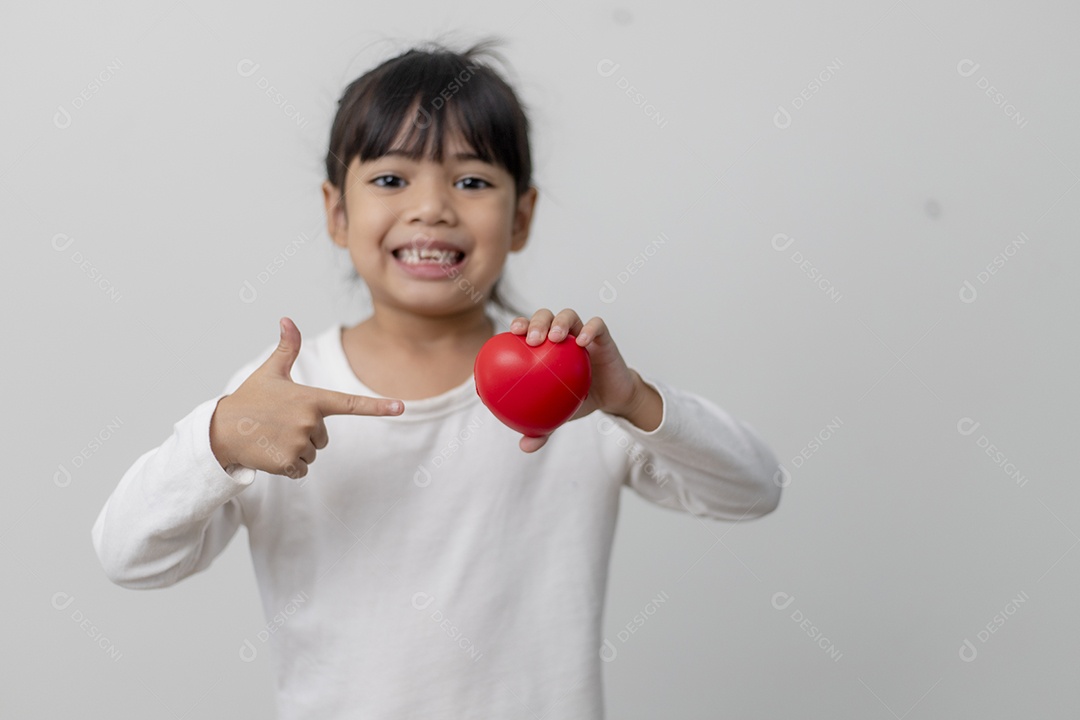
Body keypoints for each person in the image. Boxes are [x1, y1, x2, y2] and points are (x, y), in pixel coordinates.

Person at [91, 37, 782, 719]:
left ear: (523, 217)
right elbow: (131, 558)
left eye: (473, 180)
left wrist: (631, 401)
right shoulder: (279, 397)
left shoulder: (580, 392)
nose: (433, 208)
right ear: (337, 212)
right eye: (391, 179)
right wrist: (219, 438)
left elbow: (754, 490)